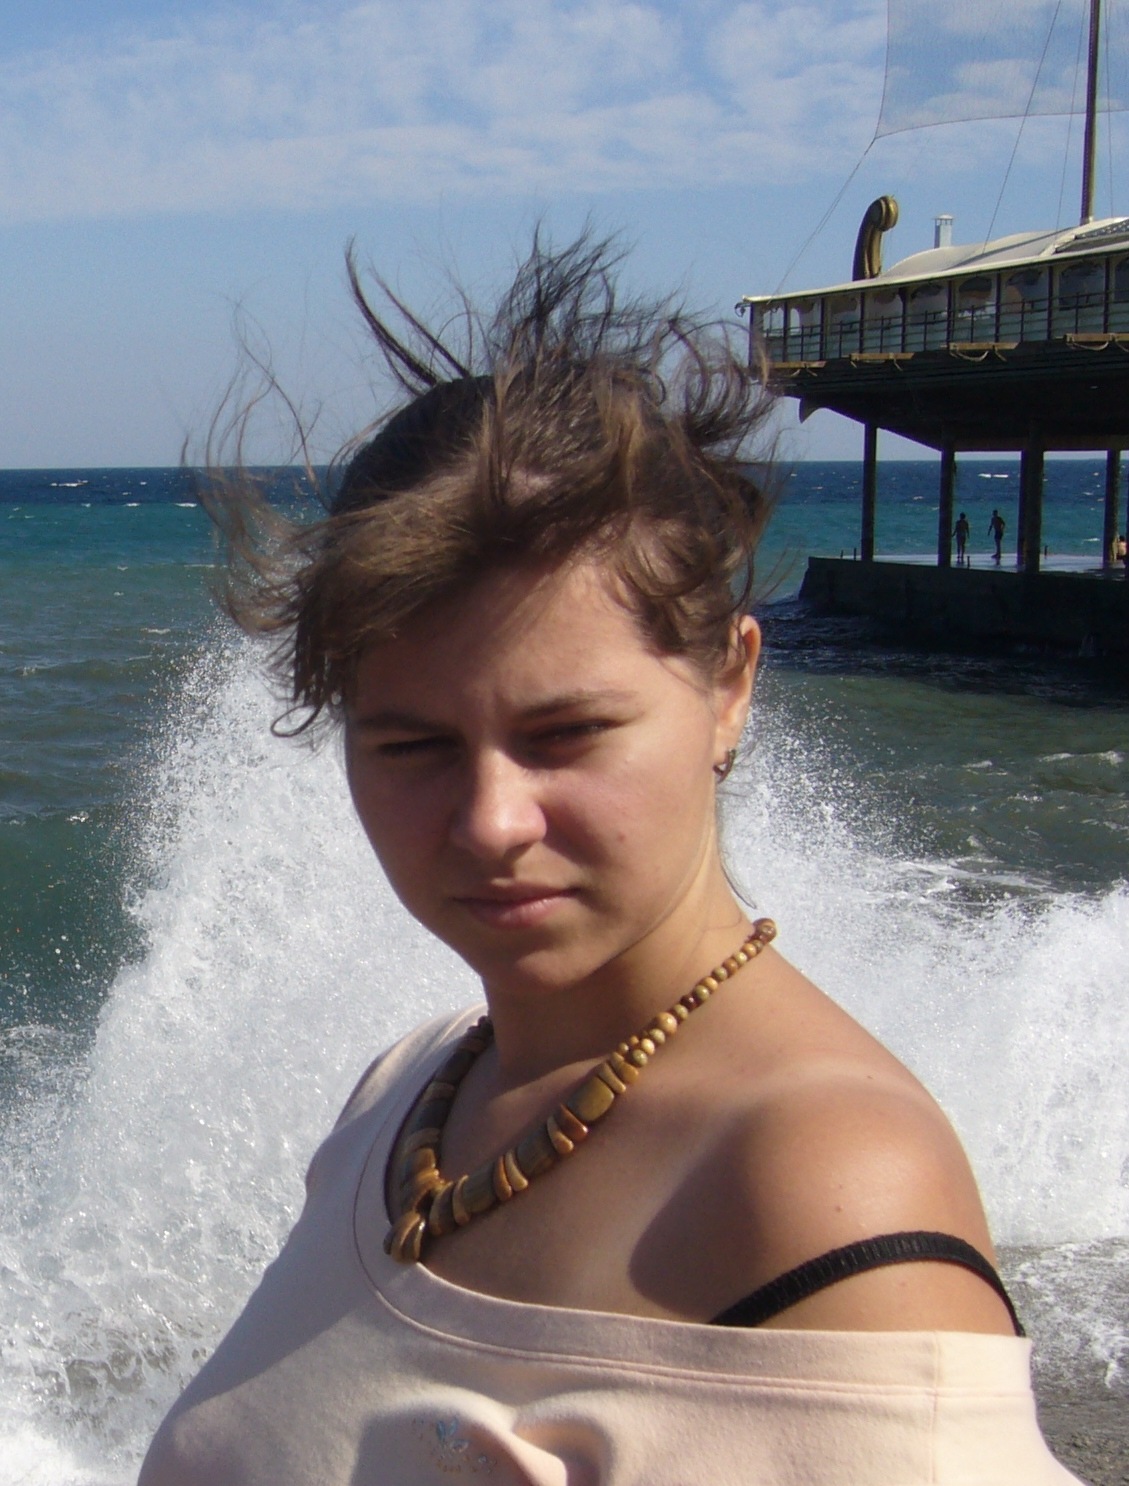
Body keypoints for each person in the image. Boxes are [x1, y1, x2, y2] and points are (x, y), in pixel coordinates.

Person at [141, 238, 1078, 1485]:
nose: (490, 820)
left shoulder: (822, 1183)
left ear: (729, 685)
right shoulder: (407, 1093)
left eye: (565, 733)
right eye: (412, 744)